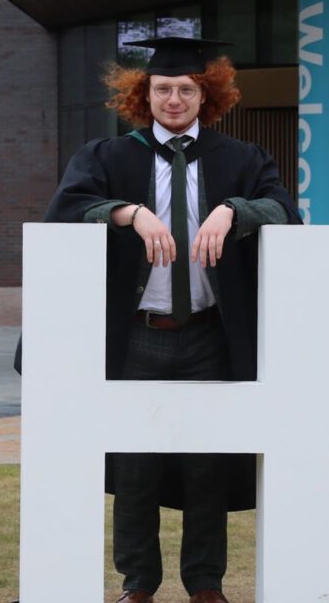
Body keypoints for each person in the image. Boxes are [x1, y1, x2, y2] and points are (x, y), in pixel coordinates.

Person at [45, 37, 301, 603]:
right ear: (144, 94)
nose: (174, 99)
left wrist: (236, 208)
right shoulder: (108, 158)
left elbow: (286, 209)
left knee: (205, 466)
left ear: (206, 96)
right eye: (163, 89)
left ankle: (205, 583)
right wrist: (127, 212)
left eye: (186, 89)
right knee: (136, 467)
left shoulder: (240, 159)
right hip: (140, 334)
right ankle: (138, 584)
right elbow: (65, 207)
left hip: (210, 334)